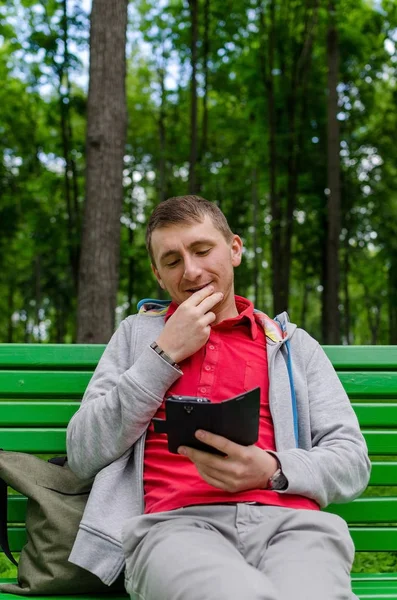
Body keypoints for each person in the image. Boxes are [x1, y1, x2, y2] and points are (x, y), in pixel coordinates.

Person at [66, 195, 370, 600]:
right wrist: (163, 354)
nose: (191, 271)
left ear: (235, 249)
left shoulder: (294, 346)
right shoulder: (136, 337)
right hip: (174, 531)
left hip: (293, 528)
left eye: (202, 250)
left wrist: (273, 469)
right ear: (159, 276)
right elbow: (83, 451)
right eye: (173, 261)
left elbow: (352, 460)